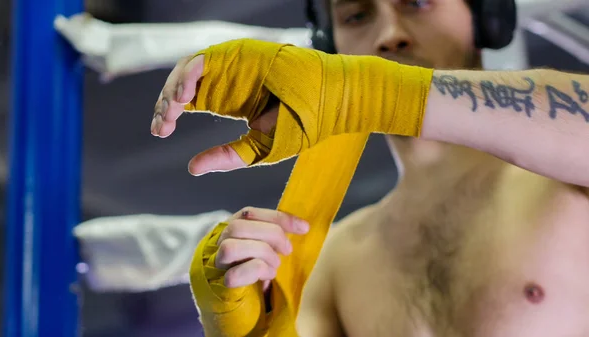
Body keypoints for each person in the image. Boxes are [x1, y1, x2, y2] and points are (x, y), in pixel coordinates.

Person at [152, 0, 589, 336]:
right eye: (357, 15)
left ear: (485, 13)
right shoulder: (334, 260)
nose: (390, 34)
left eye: (417, 2)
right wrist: (237, 326)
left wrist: (363, 89)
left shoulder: (567, 185)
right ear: (329, 46)